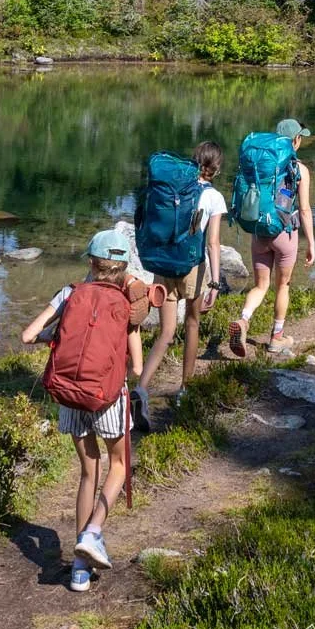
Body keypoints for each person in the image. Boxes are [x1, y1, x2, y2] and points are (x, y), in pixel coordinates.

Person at [20, 227, 150, 593]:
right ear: (123, 267)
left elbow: (29, 335)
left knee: (86, 475)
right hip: (108, 396)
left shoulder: (69, 293)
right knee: (120, 465)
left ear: (91, 264)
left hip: (69, 396)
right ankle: (92, 533)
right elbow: (137, 368)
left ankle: (79, 571)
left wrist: (54, 336)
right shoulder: (126, 307)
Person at [132, 140, 228, 432]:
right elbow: (212, 242)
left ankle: (141, 389)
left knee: (166, 332)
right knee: (193, 324)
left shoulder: (174, 188)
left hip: (163, 264)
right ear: (217, 168)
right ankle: (185, 388)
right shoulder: (213, 198)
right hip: (191, 267)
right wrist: (214, 281)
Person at [228, 117, 315, 357]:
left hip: (259, 230)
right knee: (282, 286)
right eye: (300, 137)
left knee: (261, 285)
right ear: (296, 140)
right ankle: (277, 338)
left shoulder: (262, 165)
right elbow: (305, 210)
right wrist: (311, 244)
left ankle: (244, 320)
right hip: (284, 233)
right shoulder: (300, 170)